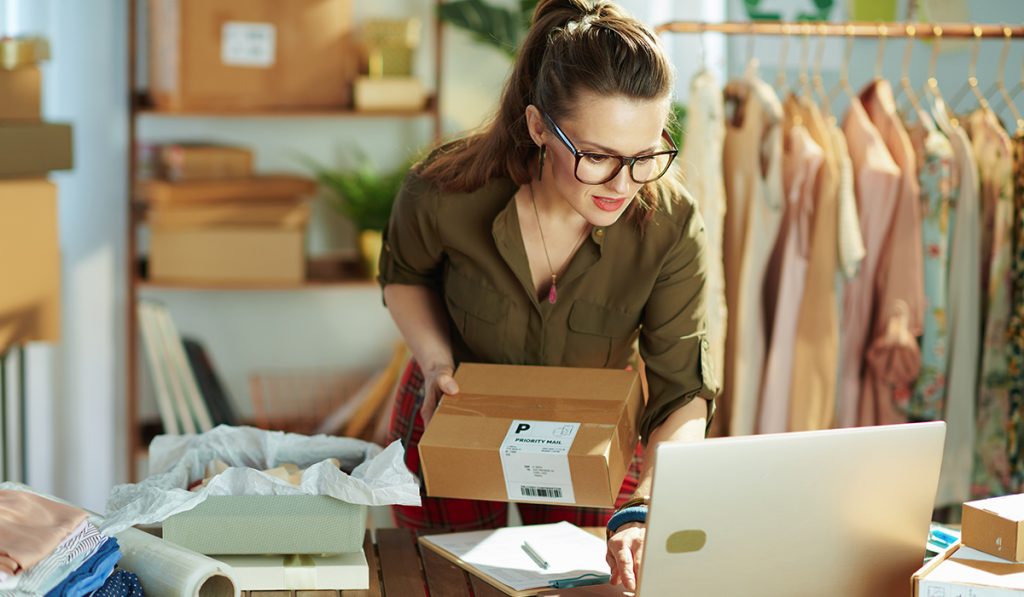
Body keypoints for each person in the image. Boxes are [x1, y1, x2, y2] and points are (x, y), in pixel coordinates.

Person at [378, 0, 718, 590]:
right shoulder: (445, 190)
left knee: (589, 585)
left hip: (593, 434)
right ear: (539, 127)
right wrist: (435, 362)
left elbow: (682, 389)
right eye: (598, 157)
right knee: (437, 581)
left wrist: (644, 504)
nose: (623, 185)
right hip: (452, 409)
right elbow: (405, 277)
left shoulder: (671, 224)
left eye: (645, 156)